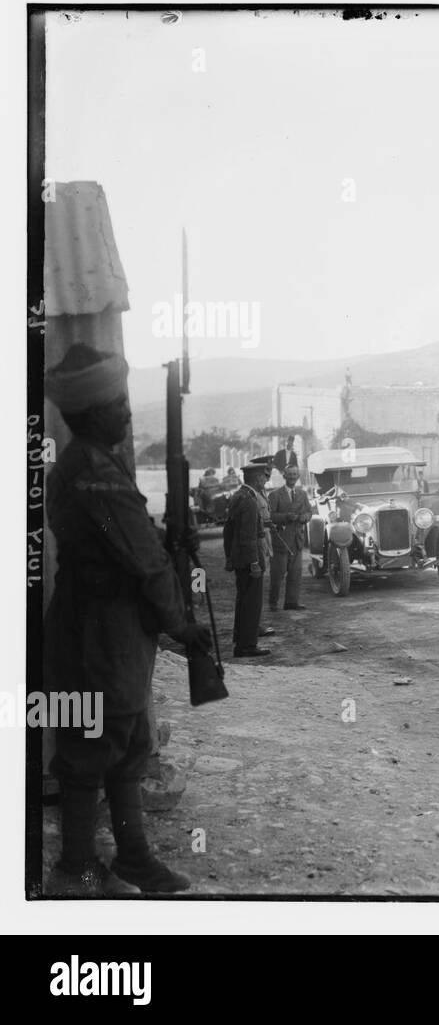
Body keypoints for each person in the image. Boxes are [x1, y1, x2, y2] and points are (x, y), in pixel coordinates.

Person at [43, 344, 211, 896]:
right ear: (93, 413)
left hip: (96, 623)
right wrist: (181, 624)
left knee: (128, 737)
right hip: (101, 630)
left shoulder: (88, 464)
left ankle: (133, 858)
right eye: (117, 402)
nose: (124, 411)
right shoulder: (96, 470)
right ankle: (75, 869)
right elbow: (145, 559)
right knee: (94, 742)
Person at [225, 458, 275, 657]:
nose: (265, 480)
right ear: (255, 479)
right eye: (263, 476)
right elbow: (248, 537)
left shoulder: (239, 496)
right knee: (252, 603)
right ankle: (247, 646)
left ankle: (241, 639)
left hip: (240, 558)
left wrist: (230, 556)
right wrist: (254, 562)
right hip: (249, 560)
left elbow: (229, 532)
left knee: (243, 601)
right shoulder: (250, 500)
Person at [267, 462, 311, 611]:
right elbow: (269, 516)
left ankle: (291, 602)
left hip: (297, 540)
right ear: (284, 476)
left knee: (295, 574)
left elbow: (309, 512)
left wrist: (305, 517)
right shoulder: (274, 495)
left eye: (294, 474)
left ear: (298, 476)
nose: (292, 477)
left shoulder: (302, 494)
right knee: (278, 574)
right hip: (281, 540)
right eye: (289, 474)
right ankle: (273, 603)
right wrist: (286, 516)